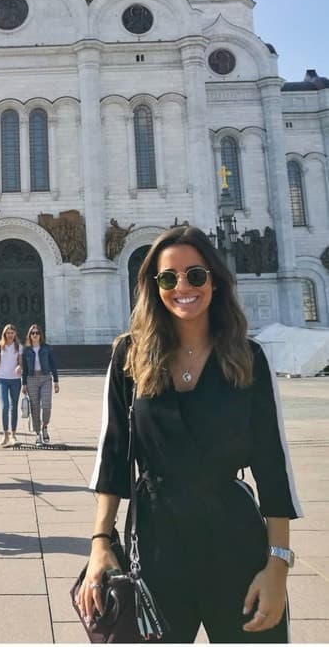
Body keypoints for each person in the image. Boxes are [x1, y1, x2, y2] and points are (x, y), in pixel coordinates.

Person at [78, 225, 302, 643]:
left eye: (195, 275)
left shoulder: (247, 358)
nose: (183, 286)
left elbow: (273, 467)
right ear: (153, 286)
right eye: (169, 278)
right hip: (156, 542)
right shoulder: (130, 356)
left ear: (214, 280)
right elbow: (113, 456)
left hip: (234, 542)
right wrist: (99, 544)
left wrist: (277, 566)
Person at [21, 324, 59, 446]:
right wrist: (24, 384)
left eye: (37, 333)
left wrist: (56, 381)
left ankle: (45, 426)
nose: (35, 335)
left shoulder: (47, 348)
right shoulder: (26, 350)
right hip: (31, 379)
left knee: (47, 405)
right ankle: (37, 434)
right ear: (30, 336)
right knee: (35, 408)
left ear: (40, 335)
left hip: (45, 378)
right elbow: (25, 369)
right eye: (33, 333)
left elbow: (53, 364)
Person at [0, 324, 22, 447]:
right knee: (5, 406)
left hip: (15, 380)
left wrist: (20, 367)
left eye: (12, 332)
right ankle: (5, 435)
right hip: (2, 379)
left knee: (14, 407)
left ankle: (13, 435)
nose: (10, 335)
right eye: (8, 332)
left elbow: (21, 363)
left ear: (15, 334)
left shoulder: (19, 347)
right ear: (4, 334)